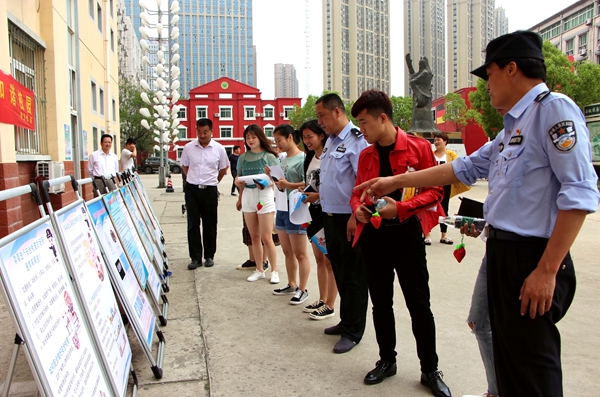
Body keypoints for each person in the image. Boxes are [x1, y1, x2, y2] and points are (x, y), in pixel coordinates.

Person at [356, 31, 600, 397]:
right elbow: (460, 170)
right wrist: (393, 181)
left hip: (532, 255)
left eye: (489, 75)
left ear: (512, 69)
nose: (486, 87)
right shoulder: (510, 129)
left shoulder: (554, 110)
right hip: (501, 250)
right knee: (491, 332)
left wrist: (547, 270)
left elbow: (579, 192)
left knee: (532, 362)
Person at [349, 89, 451, 396]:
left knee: (419, 305)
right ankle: (386, 360)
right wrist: (358, 208)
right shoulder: (366, 154)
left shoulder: (418, 149)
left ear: (383, 118)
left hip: (407, 235)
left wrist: (402, 208)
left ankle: (430, 369)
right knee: (381, 304)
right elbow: (358, 191)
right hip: (375, 238)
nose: (362, 130)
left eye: (364, 123)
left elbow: (435, 191)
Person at [315, 93, 368, 354]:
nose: (319, 122)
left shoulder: (356, 139)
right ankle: (346, 321)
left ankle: (353, 332)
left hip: (349, 219)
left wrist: (355, 215)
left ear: (337, 112)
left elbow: (364, 180)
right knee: (339, 271)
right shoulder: (331, 142)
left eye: (322, 116)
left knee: (354, 277)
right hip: (330, 217)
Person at [267, 124, 310, 305]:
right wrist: (273, 177)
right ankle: (291, 284)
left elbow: (307, 183)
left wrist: (287, 185)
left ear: (290, 137)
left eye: (279, 140)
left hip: (296, 208)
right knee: (287, 251)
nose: (278, 144)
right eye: (275, 141)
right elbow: (281, 184)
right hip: (282, 208)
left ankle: (303, 289)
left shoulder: (303, 158)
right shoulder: (283, 159)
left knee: (300, 253)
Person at [299, 119, 337, 320]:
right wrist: (303, 192)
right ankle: (322, 299)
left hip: (328, 213)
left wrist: (318, 196)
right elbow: (310, 184)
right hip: (312, 214)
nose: (307, 141)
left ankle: (330, 304)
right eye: (304, 138)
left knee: (331, 261)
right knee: (319, 259)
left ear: (321, 135)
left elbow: (335, 187)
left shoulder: (330, 157)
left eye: (310, 136)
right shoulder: (309, 158)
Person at [180, 118, 230, 270]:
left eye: (205, 132)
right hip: (192, 190)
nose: (202, 135)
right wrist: (193, 180)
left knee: (210, 223)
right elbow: (185, 166)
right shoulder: (188, 147)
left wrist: (213, 182)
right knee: (193, 224)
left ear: (211, 132)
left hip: (209, 189)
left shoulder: (219, 149)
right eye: (199, 132)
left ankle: (209, 255)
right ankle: (195, 258)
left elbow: (223, 169)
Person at [235, 124, 280, 283]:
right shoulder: (242, 158)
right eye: (248, 137)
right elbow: (239, 178)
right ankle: (259, 269)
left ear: (260, 137)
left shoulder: (270, 156)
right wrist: (239, 194)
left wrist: (267, 183)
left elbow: (278, 180)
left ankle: (274, 270)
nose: (251, 140)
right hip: (248, 195)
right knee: (254, 235)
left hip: (265, 195)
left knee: (266, 237)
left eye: (254, 137)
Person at [424, 132, 470, 245]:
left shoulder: (451, 154)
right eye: (435, 140)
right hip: (432, 185)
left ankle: (444, 235)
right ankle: (427, 235)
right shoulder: (431, 154)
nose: (436, 142)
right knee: (429, 208)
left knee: (444, 209)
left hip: (446, 185)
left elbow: (458, 165)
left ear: (445, 141)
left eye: (438, 139)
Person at [406, 54, 439, 133]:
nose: (420, 66)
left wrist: (413, 80)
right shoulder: (423, 72)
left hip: (423, 97)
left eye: (421, 64)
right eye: (419, 64)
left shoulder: (425, 73)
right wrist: (409, 65)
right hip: (419, 96)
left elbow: (413, 80)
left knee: (424, 116)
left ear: (424, 65)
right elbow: (414, 76)